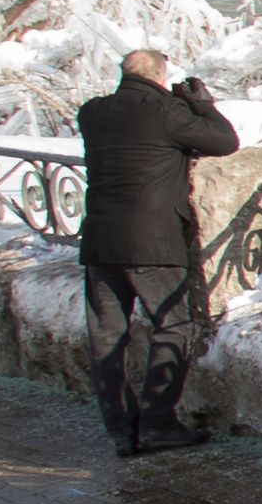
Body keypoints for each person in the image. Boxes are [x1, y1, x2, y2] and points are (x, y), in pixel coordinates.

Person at [75, 47, 239, 455]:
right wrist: (202, 105)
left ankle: (121, 430)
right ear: (162, 77)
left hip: (99, 241)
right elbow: (223, 141)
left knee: (107, 336)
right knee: (173, 328)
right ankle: (158, 422)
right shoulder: (165, 112)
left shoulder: (92, 113)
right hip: (152, 243)